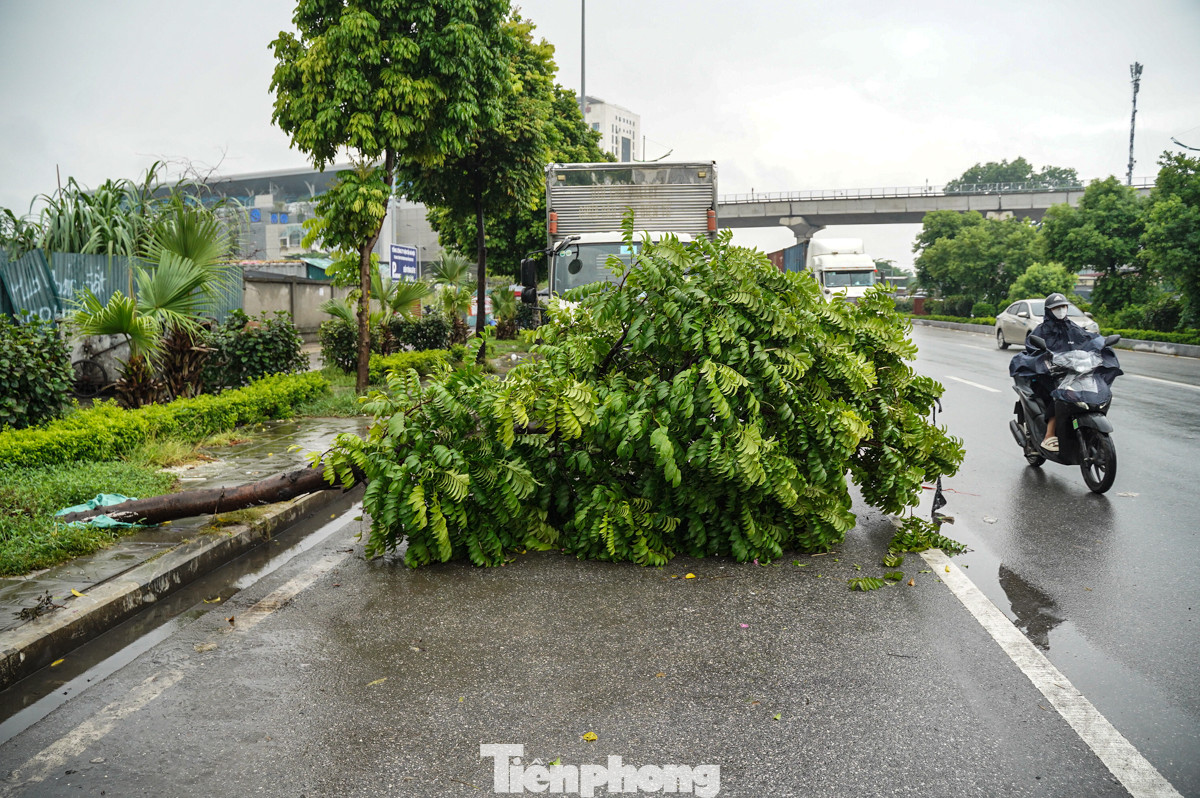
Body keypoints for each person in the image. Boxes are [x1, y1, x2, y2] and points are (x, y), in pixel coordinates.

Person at [1028, 292, 1093, 451]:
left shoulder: (1073, 328)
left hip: (1072, 372)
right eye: (1056, 307)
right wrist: (1046, 359)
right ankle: (1049, 435)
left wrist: (1099, 348)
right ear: (1049, 310)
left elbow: (1087, 341)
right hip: (1049, 375)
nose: (1061, 310)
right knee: (1060, 395)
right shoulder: (1041, 330)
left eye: (1063, 306)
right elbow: (1032, 348)